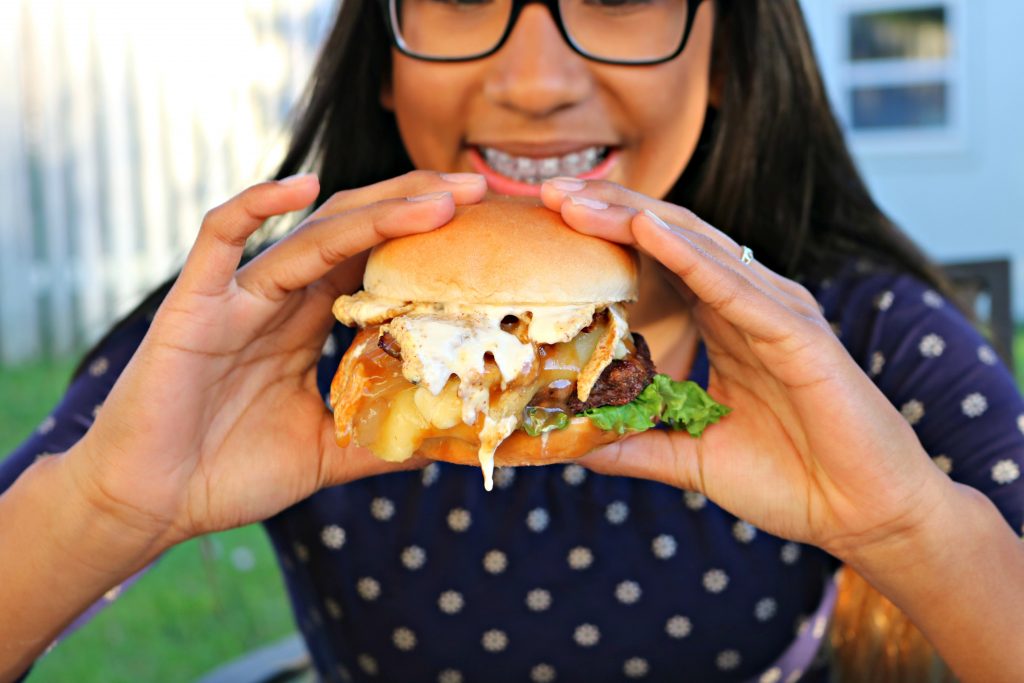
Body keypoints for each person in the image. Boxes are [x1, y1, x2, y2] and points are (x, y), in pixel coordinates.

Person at [2, 0, 1023, 681]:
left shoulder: (865, 340)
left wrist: (909, 532)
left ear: (730, 58)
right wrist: (104, 506)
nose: (533, 80)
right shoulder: (251, 330)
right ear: (381, 69)